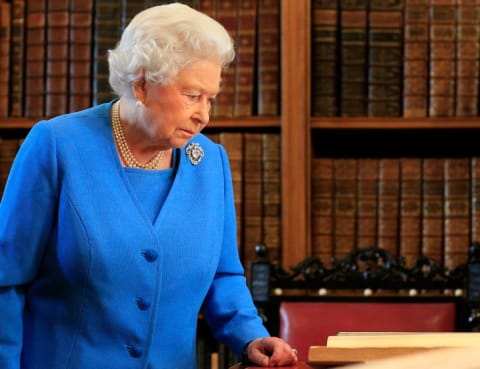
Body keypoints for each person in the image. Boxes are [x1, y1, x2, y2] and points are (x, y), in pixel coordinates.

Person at [0, 3, 298, 369]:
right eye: (192, 96)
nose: (204, 115)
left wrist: (250, 335)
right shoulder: (56, 146)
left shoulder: (210, 163)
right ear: (142, 84)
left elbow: (223, 274)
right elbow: (6, 281)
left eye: (211, 99)